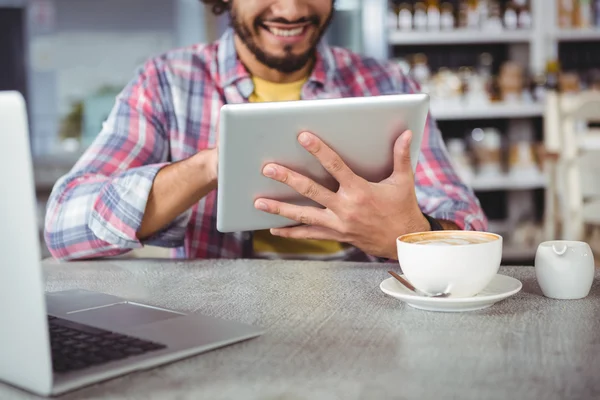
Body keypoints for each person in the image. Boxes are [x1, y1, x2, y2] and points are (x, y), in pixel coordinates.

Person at [44, 0, 487, 262]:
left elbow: (469, 226)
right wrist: (207, 167)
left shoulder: (387, 84)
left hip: (371, 324)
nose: (291, 10)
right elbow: (65, 227)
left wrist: (415, 232)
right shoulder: (166, 82)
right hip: (216, 329)